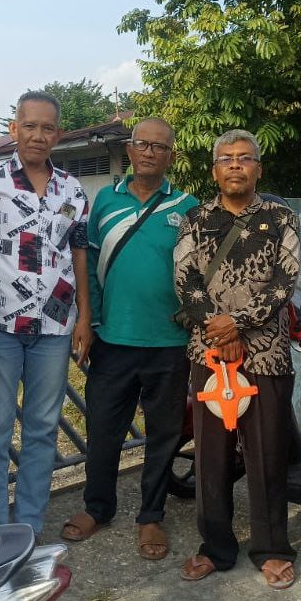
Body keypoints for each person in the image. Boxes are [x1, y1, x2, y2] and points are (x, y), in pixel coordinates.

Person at [60, 118, 198, 560]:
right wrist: (89, 320)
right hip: (112, 339)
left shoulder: (188, 206)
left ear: (171, 155)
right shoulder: (104, 200)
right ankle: (97, 508)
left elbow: (200, 274)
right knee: (103, 430)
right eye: (142, 144)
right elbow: (87, 264)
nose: (150, 152)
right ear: (131, 149)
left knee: (163, 435)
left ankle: (151, 516)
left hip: (169, 342)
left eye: (160, 146)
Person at [174, 129, 300, 590]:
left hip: (265, 353)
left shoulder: (281, 218)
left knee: (267, 453)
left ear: (258, 169)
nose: (235, 164)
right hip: (209, 353)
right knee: (211, 455)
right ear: (214, 171)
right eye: (226, 158)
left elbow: (285, 281)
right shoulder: (195, 219)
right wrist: (218, 328)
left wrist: (237, 324)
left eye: (244, 158)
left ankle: (272, 548)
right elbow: (185, 279)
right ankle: (215, 546)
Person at [0, 91, 92, 534]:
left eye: (48, 128)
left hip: (54, 326)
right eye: (30, 126)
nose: (38, 135)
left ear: (58, 134)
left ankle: (28, 529)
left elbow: (79, 254)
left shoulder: (72, 189)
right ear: (14, 129)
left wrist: (84, 317)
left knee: (42, 429)